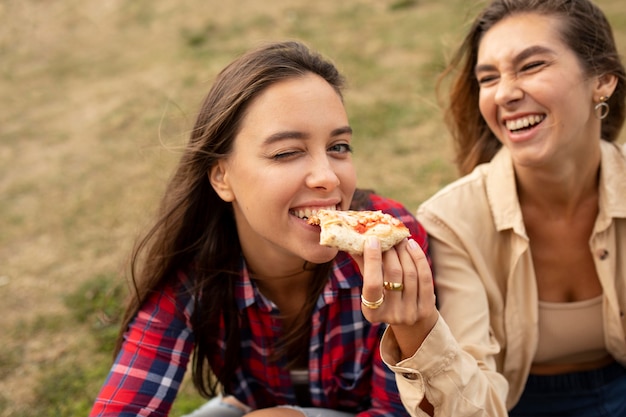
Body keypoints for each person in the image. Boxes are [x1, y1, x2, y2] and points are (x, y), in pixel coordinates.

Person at [88, 40, 431, 417]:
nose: (328, 177)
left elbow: (410, 410)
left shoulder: (392, 241)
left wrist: (413, 331)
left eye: (339, 146)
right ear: (222, 177)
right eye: (286, 152)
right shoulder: (194, 270)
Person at [358, 0, 626, 416]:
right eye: (488, 78)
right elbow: (471, 410)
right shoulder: (452, 221)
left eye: (532, 65)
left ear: (603, 79)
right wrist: (418, 329)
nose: (505, 93)